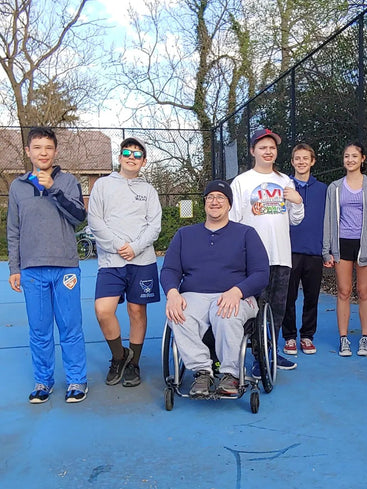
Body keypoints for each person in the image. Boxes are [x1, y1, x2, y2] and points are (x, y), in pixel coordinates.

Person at [160, 180, 269, 397]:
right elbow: (169, 269)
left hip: (236, 294)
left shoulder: (246, 233)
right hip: (195, 294)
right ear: (204, 203)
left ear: (229, 204)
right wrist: (172, 292)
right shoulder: (184, 234)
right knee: (178, 314)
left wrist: (237, 291)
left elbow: (261, 274)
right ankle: (202, 371)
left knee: (226, 313)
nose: (215, 201)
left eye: (221, 197)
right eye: (210, 197)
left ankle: (231, 373)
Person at [7, 127, 88, 403]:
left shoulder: (67, 181)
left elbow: (79, 217)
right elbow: (13, 230)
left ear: (55, 152)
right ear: (28, 151)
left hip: (65, 267)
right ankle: (43, 382)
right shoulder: (17, 186)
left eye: (48, 148)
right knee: (39, 329)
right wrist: (14, 268)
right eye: (37, 147)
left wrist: (54, 190)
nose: (43, 152)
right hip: (31, 270)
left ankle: (77, 380)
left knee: (70, 327)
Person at [229, 128, 304, 374]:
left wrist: (298, 201)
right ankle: (257, 356)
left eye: (272, 147)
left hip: (281, 256)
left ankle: (271, 351)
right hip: (253, 260)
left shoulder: (285, 181)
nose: (268, 151)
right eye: (263, 147)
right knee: (255, 307)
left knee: (277, 308)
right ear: (253, 151)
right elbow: (234, 220)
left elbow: (295, 220)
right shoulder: (242, 181)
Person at [88, 137, 161, 388]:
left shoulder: (149, 191)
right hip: (111, 261)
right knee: (103, 310)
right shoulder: (102, 186)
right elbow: (95, 221)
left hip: (143, 262)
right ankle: (119, 356)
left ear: (144, 161)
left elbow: (154, 225)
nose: (132, 157)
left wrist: (136, 247)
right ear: (119, 157)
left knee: (137, 311)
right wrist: (119, 246)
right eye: (127, 152)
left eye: (138, 154)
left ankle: (134, 363)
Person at [323, 141, 367, 357]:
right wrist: (327, 250)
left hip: (366, 245)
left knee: (364, 291)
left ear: (363, 159)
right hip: (342, 244)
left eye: (354, 156)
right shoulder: (335, 187)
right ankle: (343, 339)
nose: (350, 160)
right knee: (344, 291)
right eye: (346, 156)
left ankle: (365, 338)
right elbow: (328, 220)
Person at [282, 143, 327, 355]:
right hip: (288, 251)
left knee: (312, 297)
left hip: (314, 252)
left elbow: (329, 221)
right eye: (297, 158)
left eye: (305, 158)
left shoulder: (323, 190)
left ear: (312, 161)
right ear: (292, 162)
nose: (301, 162)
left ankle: (307, 336)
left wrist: (327, 250)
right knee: (288, 296)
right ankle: (289, 337)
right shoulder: (284, 187)